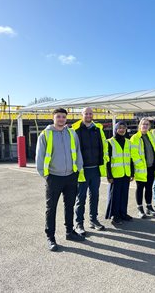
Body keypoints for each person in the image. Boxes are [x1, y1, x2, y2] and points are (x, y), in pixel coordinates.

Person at [36, 108, 85, 252]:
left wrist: (77, 170)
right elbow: (39, 157)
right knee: (51, 209)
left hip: (71, 176)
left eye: (63, 117)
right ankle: (50, 237)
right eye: (58, 117)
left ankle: (70, 232)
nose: (61, 119)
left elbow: (78, 151)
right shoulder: (45, 135)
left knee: (69, 206)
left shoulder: (72, 133)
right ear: (53, 118)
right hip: (54, 178)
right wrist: (47, 176)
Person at [72, 107, 108, 235]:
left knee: (95, 196)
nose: (88, 115)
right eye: (86, 113)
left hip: (95, 170)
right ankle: (79, 223)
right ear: (82, 114)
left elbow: (103, 146)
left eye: (90, 113)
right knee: (80, 198)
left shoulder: (98, 129)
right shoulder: (75, 130)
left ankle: (93, 220)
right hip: (82, 170)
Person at [130, 118, 155, 218]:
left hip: (151, 167)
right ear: (140, 126)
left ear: (149, 126)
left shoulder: (150, 136)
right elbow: (133, 154)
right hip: (141, 168)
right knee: (140, 189)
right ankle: (140, 209)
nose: (145, 126)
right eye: (143, 124)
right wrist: (140, 164)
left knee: (149, 188)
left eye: (147, 124)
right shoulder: (135, 138)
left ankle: (149, 207)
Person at [105, 121, 134, 224]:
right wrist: (109, 175)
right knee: (115, 196)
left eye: (124, 128)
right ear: (115, 129)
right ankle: (114, 215)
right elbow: (107, 160)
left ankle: (123, 213)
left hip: (126, 173)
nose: (121, 130)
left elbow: (130, 159)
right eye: (119, 128)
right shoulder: (109, 142)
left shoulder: (128, 142)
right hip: (115, 174)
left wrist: (132, 173)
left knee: (124, 194)